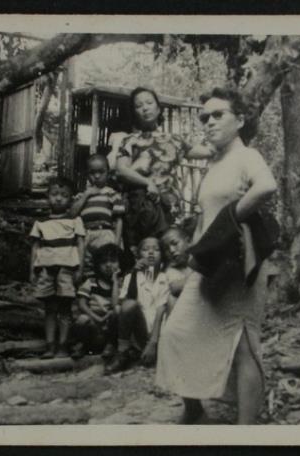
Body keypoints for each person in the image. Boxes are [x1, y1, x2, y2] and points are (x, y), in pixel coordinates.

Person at [156, 88, 278, 424]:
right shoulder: (214, 163)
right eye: (204, 117)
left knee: (244, 345)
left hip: (240, 262)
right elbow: (205, 220)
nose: (209, 122)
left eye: (218, 114)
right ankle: (194, 409)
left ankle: (244, 431)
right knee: (176, 331)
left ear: (240, 120)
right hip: (210, 263)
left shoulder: (247, 156)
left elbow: (266, 186)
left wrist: (231, 218)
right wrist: (194, 261)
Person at [111, 87, 214, 248]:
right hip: (139, 207)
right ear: (134, 112)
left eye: (149, 103)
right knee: (141, 252)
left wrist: (212, 123)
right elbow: (121, 170)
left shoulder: (175, 140)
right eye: (138, 106)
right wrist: (147, 182)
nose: (145, 108)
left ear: (158, 108)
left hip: (169, 205)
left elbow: (208, 152)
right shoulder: (129, 140)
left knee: (169, 250)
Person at [29, 177, 86, 359]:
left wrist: (80, 268)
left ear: (71, 199)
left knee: (65, 308)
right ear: (47, 196)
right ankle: (50, 345)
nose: (59, 198)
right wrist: (32, 270)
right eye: (54, 194)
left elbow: (80, 245)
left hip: (66, 269)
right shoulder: (41, 222)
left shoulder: (75, 220)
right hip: (46, 269)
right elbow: (35, 247)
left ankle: (63, 345)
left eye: (64, 195)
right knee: (50, 308)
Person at [107, 236, 170, 374]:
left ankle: (143, 352)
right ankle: (123, 352)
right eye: (146, 249)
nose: (151, 252)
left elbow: (162, 309)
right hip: (139, 332)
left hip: (158, 334)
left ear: (162, 256)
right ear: (138, 256)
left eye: (156, 249)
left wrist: (153, 342)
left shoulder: (165, 278)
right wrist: (134, 273)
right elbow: (124, 305)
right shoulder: (131, 276)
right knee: (123, 307)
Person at [141, 226, 192, 365]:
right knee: (171, 299)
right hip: (181, 323)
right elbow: (175, 288)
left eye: (175, 244)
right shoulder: (171, 271)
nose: (172, 250)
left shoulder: (196, 262)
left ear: (189, 241)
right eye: (166, 249)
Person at [70, 154, 125, 277]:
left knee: (106, 263)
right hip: (85, 234)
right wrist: (86, 195)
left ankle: (107, 285)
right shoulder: (82, 195)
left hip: (104, 233)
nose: (97, 176)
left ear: (108, 173)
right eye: (92, 172)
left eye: (101, 172)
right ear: (87, 174)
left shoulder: (112, 194)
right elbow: (72, 214)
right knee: (85, 264)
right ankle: (89, 284)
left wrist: (116, 242)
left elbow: (119, 220)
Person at [71, 243, 121, 360]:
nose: (108, 265)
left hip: (110, 324)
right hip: (94, 322)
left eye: (113, 261)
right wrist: (97, 318)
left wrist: (115, 282)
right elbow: (82, 304)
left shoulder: (121, 284)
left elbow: (116, 304)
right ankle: (83, 345)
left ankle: (110, 345)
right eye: (104, 262)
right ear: (97, 265)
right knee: (82, 319)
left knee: (117, 313)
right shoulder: (91, 282)